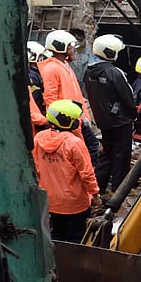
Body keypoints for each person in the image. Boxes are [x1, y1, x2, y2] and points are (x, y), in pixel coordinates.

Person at [33, 99, 99, 243]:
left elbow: (36, 169)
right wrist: (95, 194)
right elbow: (87, 173)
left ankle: (58, 263)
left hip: (51, 201)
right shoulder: (74, 143)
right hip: (75, 203)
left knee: (57, 236)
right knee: (76, 239)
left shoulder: (39, 138)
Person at [85, 34, 137, 194]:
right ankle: (119, 189)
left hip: (103, 120)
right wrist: (133, 115)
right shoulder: (114, 73)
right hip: (120, 121)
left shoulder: (89, 72)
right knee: (122, 155)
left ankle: (99, 187)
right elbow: (127, 97)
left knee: (106, 154)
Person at [39, 29, 100, 161]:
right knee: (87, 151)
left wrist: (85, 116)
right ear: (61, 47)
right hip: (66, 120)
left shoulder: (65, 65)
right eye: (71, 46)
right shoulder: (52, 68)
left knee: (89, 149)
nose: (74, 50)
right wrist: (58, 121)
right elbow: (50, 97)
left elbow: (75, 94)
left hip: (76, 118)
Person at [26, 41, 48, 131]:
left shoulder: (34, 74)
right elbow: (36, 99)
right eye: (41, 57)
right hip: (36, 119)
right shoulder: (33, 76)